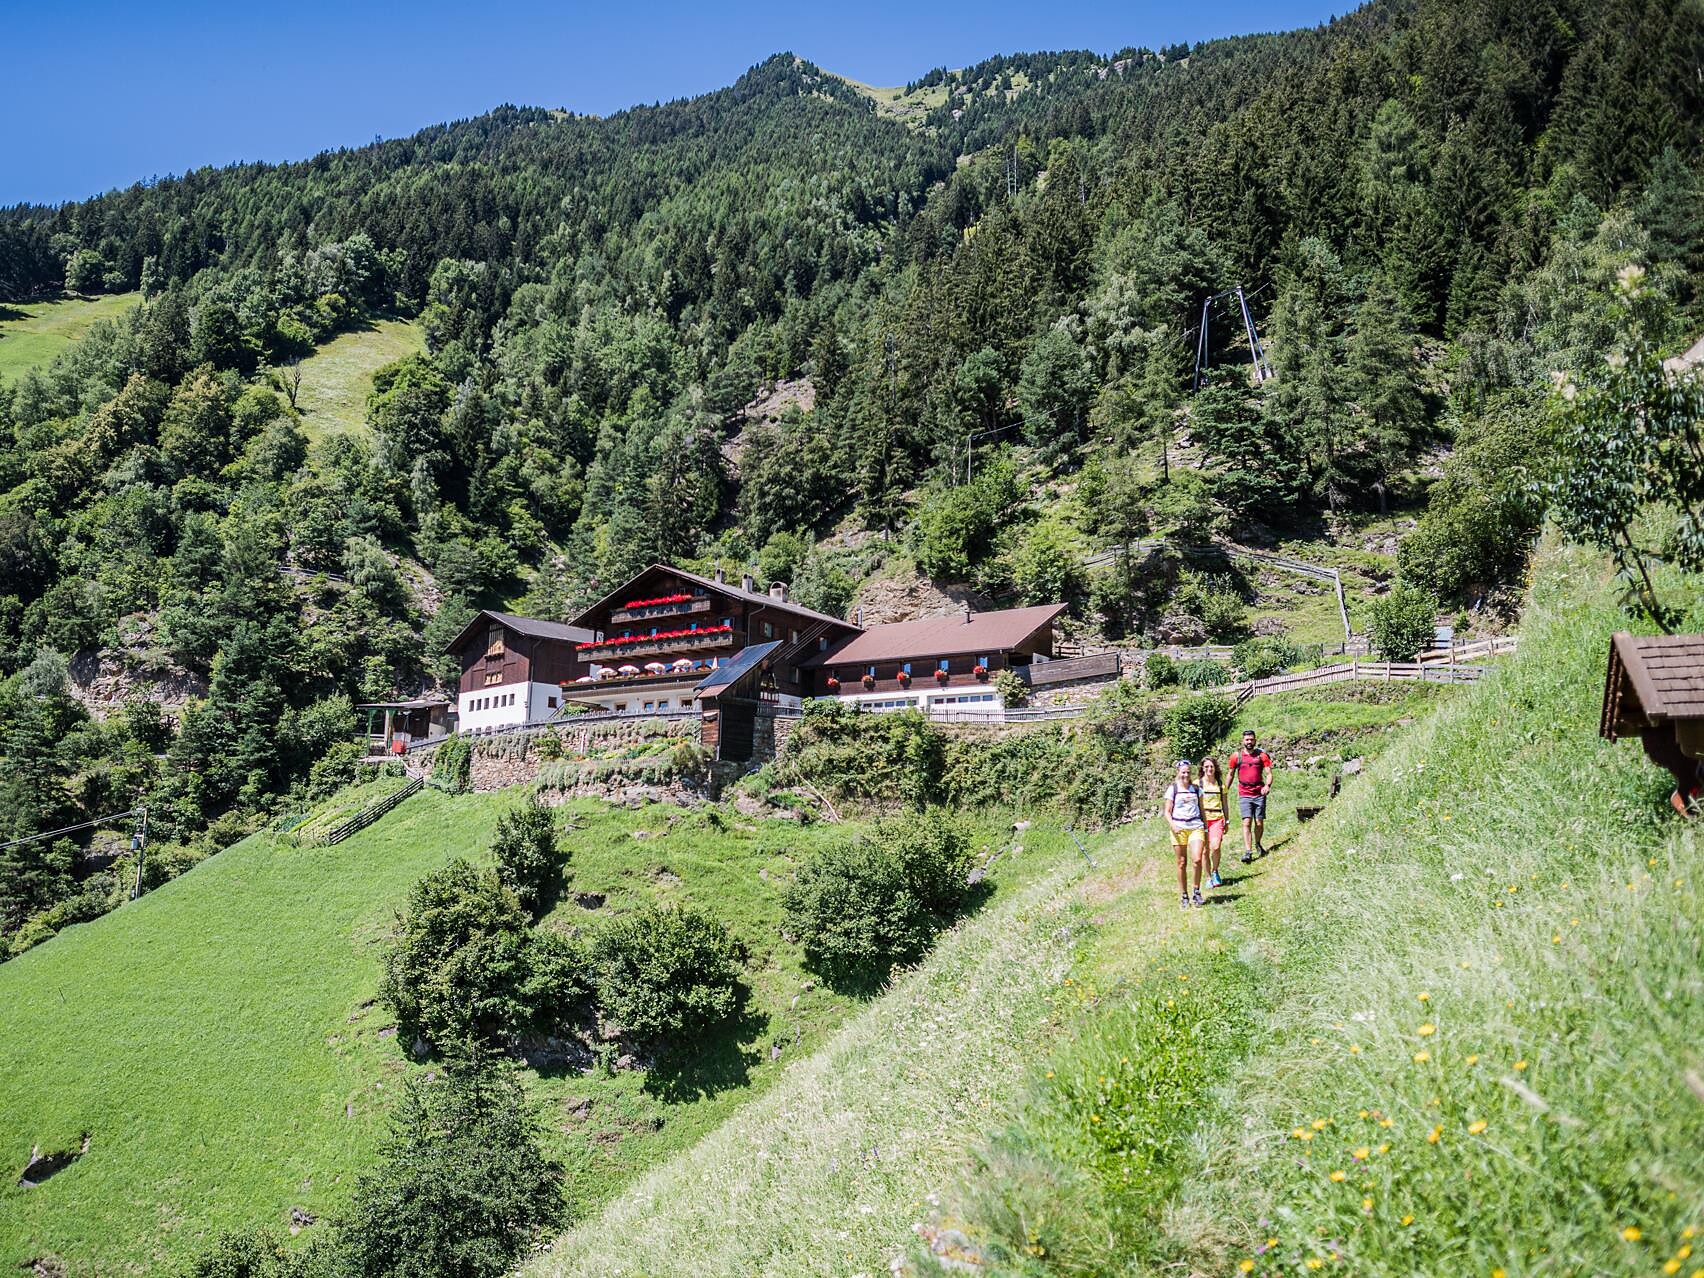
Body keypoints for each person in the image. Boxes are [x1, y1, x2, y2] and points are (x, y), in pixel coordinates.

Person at [1164, 759, 1207, 909]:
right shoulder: (1173, 789)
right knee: (1181, 863)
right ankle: (1184, 895)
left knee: (1197, 859)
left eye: (1188, 772)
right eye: (1183, 772)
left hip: (1196, 826)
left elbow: (1202, 810)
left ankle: (1196, 891)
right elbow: (1167, 812)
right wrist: (1173, 826)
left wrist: (1206, 828)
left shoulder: (1196, 789)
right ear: (1178, 773)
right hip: (1179, 828)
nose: (1186, 775)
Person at [1229, 729, 1274, 864]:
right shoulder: (1236, 757)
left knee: (1259, 822)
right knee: (1246, 822)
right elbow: (1230, 774)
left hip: (1259, 792)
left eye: (1251, 739)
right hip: (1244, 793)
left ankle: (1258, 843)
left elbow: (1269, 773)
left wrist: (1267, 786)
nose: (1249, 742)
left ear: (1255, 740)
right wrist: (1224, 789)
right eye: (1247, 740)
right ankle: (1248, 851)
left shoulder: (1262, 755)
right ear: (1243, 741)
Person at [1198, 755, 1230, 887]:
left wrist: (1227, 820)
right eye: (1206, 766)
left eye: (1211, 766)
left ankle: (1215, 871)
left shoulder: (1221, 785)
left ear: (1215, 768)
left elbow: (1225, 804)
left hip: (1217, 819)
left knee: (1215, 847)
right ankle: (1208, 877)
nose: (1209, 769)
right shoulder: (1197, 784)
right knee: (1205, 850)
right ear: (1202, 768)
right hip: (1202, 820)